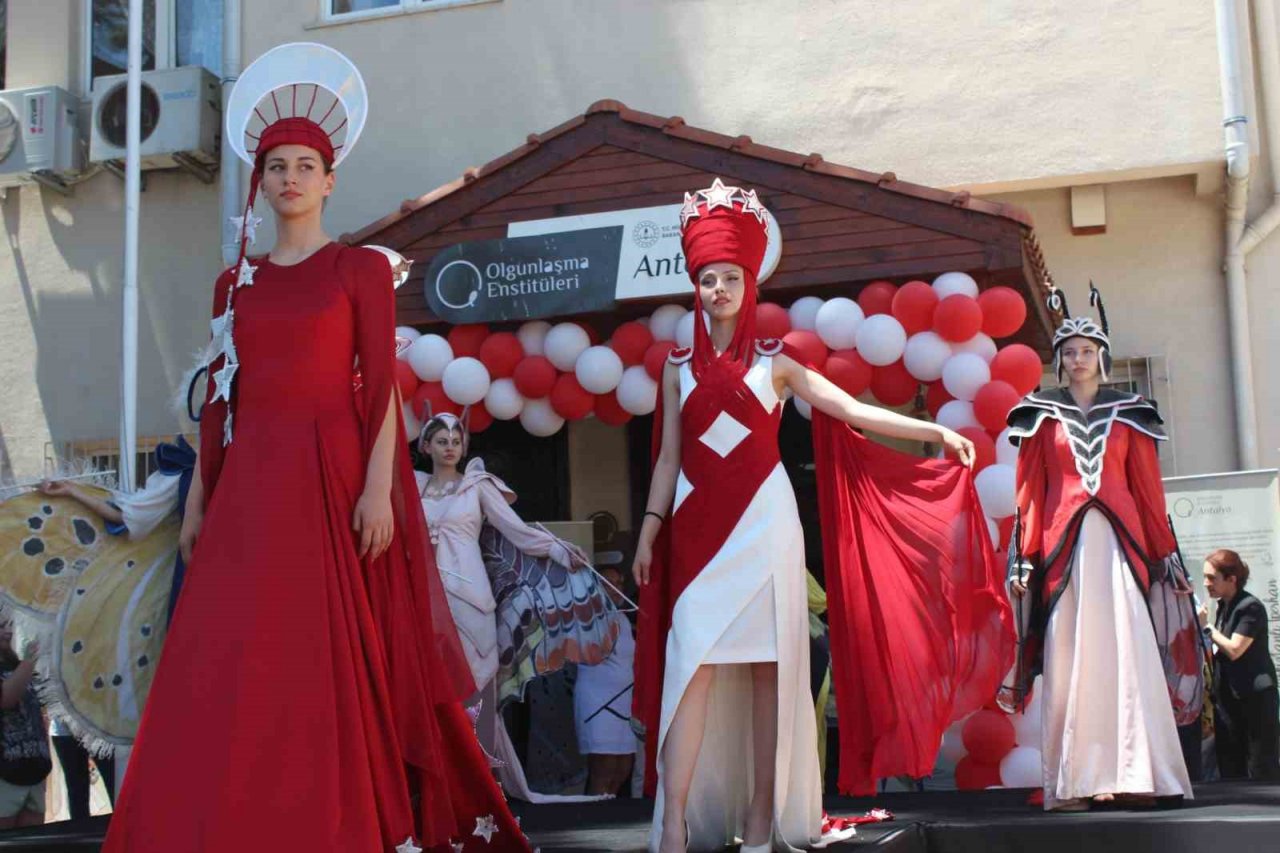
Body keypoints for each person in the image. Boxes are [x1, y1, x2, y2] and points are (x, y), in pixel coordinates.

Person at [101, 43, 530, 853]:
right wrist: (201, 496)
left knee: (331, 650)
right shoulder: (236, 284)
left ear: (330, 179)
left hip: (335, 477)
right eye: (276, 166)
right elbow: (221, 401)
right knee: (233, 649)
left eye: (306, 165)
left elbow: (383, 389)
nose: (291, 178)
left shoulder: (360, 269)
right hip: (251, 486)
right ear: (259, 182)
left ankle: (334, 817)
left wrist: (379, 487)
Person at [633, 179, 1012, 853]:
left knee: (768, 674)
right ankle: (673, 820)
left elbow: (852, 410)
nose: (716, 289)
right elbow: (667, 457)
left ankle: (758, 820)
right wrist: (650, 529)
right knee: (693, 663)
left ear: (749, 284)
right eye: (706, 278)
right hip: (695, 526)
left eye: (728, 277)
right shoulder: (677, 365)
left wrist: (932, 435)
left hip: (764, 522)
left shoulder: (779, 363)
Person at [1007, 284, 1197, 811]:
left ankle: (1138, 776)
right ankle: (1073, 782)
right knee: (1071, 659)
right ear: (1059, 360)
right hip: (1064, 549)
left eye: (1086, 350)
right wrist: (1023, 554)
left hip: (1122, 546)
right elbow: (1031, 492)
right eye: (1069, 352)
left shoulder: (1133, 411)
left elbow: (1146, 489)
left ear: (1101, 356)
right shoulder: (1039, 413)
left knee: (1127, 651)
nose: (1077, 359)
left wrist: (1164, 555)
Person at [414, 410, 616, 803]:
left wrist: (557, 549)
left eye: (457, 441)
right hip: (425, 598)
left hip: (470, 597)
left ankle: (480, 790)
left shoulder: (478, 485)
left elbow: (517, 530)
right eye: (442, 441)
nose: (451, 447)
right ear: (426, 446)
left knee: (476, 690)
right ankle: (439, 788)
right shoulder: (413, 487)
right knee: (429, 689)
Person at [1200, 548, 1280, 780]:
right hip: (1229, 700)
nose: (1207, 583)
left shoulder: (1250, 607)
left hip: (1253, 699)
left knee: (1261, 766)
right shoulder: (1225, 606)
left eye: (1212, 578)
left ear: (1232, 579)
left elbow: (1235, 649)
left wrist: (1207, 628)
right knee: (1231, 765)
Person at [574, 565, 636, 796]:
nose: (616, 589)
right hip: (598, 701)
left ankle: (609, 812)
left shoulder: (623, 619)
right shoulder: (586, 615)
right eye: (609, 584)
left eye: (619, 583)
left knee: (623, 766)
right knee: (604, 766)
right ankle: (593, 820)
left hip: (623, 702)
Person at [0, 622, 51, 830]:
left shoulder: (18, 667)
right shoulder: (25, 668)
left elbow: (39, 718)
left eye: (8, 625)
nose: (8, 632)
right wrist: (30, 661)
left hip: (34, 775)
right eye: (1, 626)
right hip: (5, 779)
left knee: (33, 845)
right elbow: (5, 699)